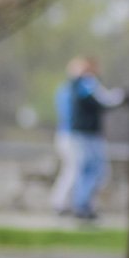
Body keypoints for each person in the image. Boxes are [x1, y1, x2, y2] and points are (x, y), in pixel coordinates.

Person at [70, 58, 127, 220]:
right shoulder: (86, 84)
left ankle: (83, 204)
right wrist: (120, 98)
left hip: (87, 133)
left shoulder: (82, 84)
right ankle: (82, 206)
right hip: (86, 133)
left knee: (91, 170)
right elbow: (102, 101)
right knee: (93, 170)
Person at [49, 57, 87, 215]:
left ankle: (65, 202)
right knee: (73, 170)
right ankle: (60, 203)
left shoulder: (69, 89)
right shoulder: (70, 90)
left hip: (68, 134)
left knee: (72, 170)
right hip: (69, 135)